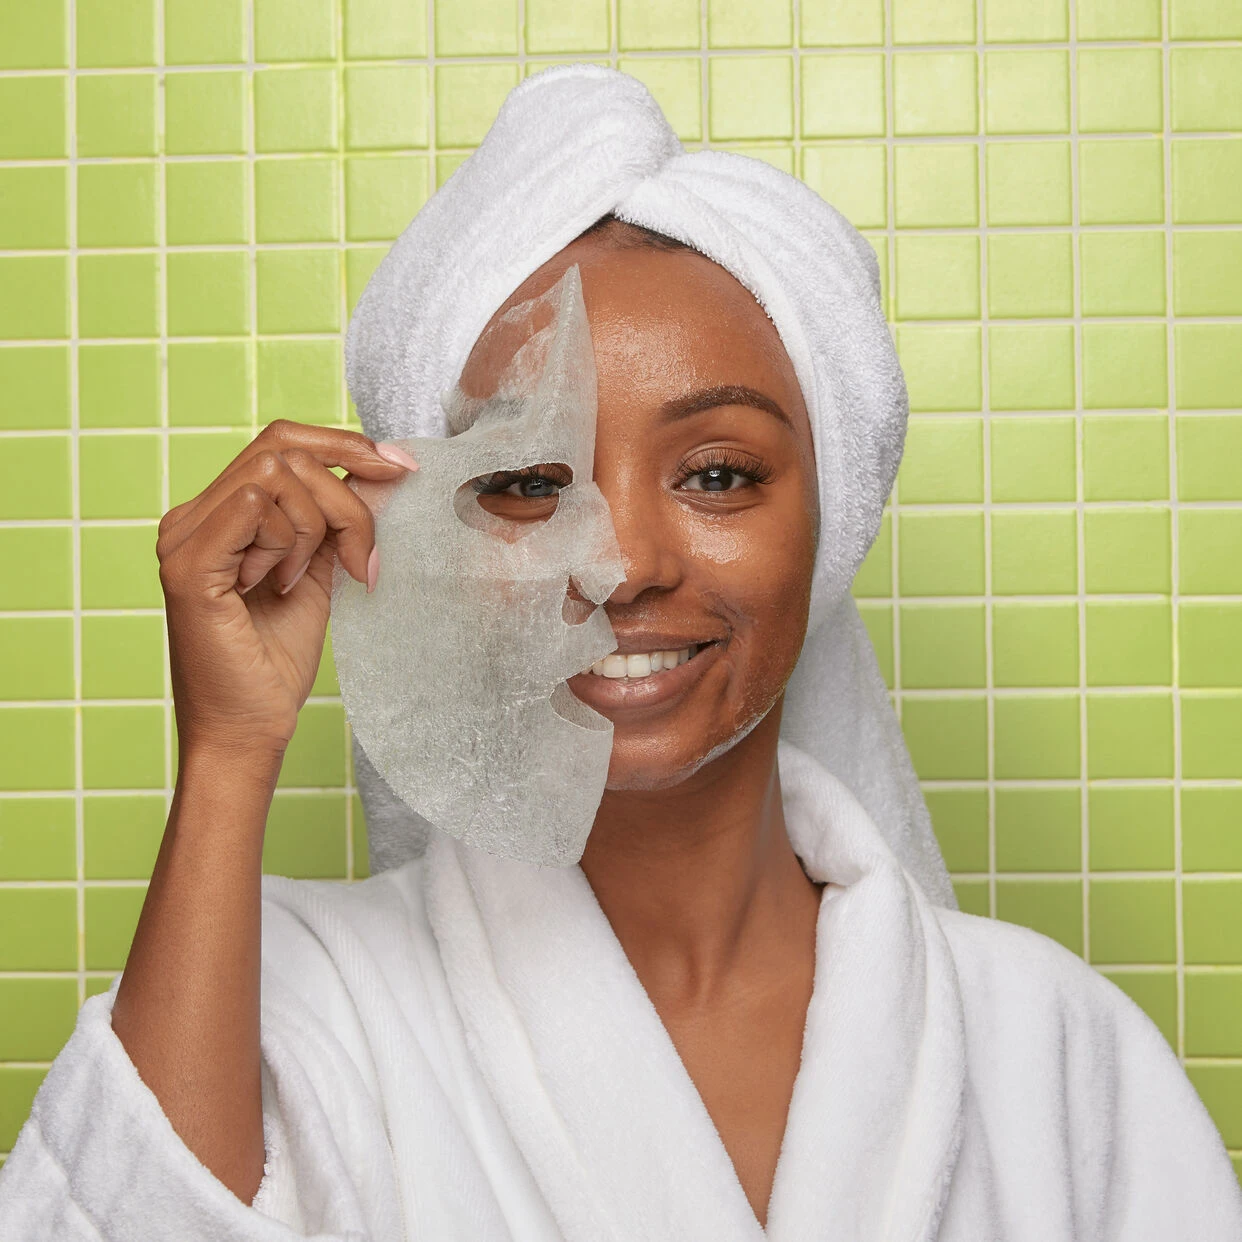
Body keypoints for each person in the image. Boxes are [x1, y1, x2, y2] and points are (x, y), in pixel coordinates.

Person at [1, 66, 1239, 1242]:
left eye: (718, 474)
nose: (622, 561)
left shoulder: (1053, 1047)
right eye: (530, 483)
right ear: (432, 543)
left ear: (834, 517)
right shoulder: (294, 1005)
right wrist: (229, 752)